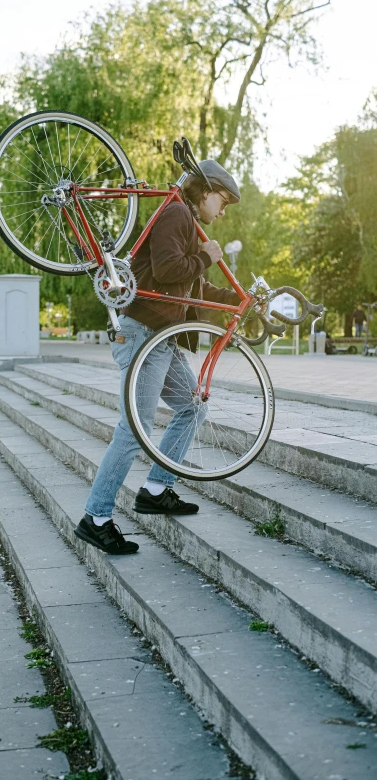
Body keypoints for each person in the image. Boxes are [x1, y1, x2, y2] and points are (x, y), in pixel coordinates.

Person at [74, 159, 241, 555]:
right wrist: (207, 256)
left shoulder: (188, 224)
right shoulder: (177, 212)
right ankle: (95, 518)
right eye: (223, 200)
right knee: (134, 429)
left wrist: (241, 300)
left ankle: (155, 489)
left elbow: (194, 286)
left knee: (192, 407)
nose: (224, 209)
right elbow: (169, 271)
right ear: (205, 192)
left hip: (163, 339)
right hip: (143, 334)